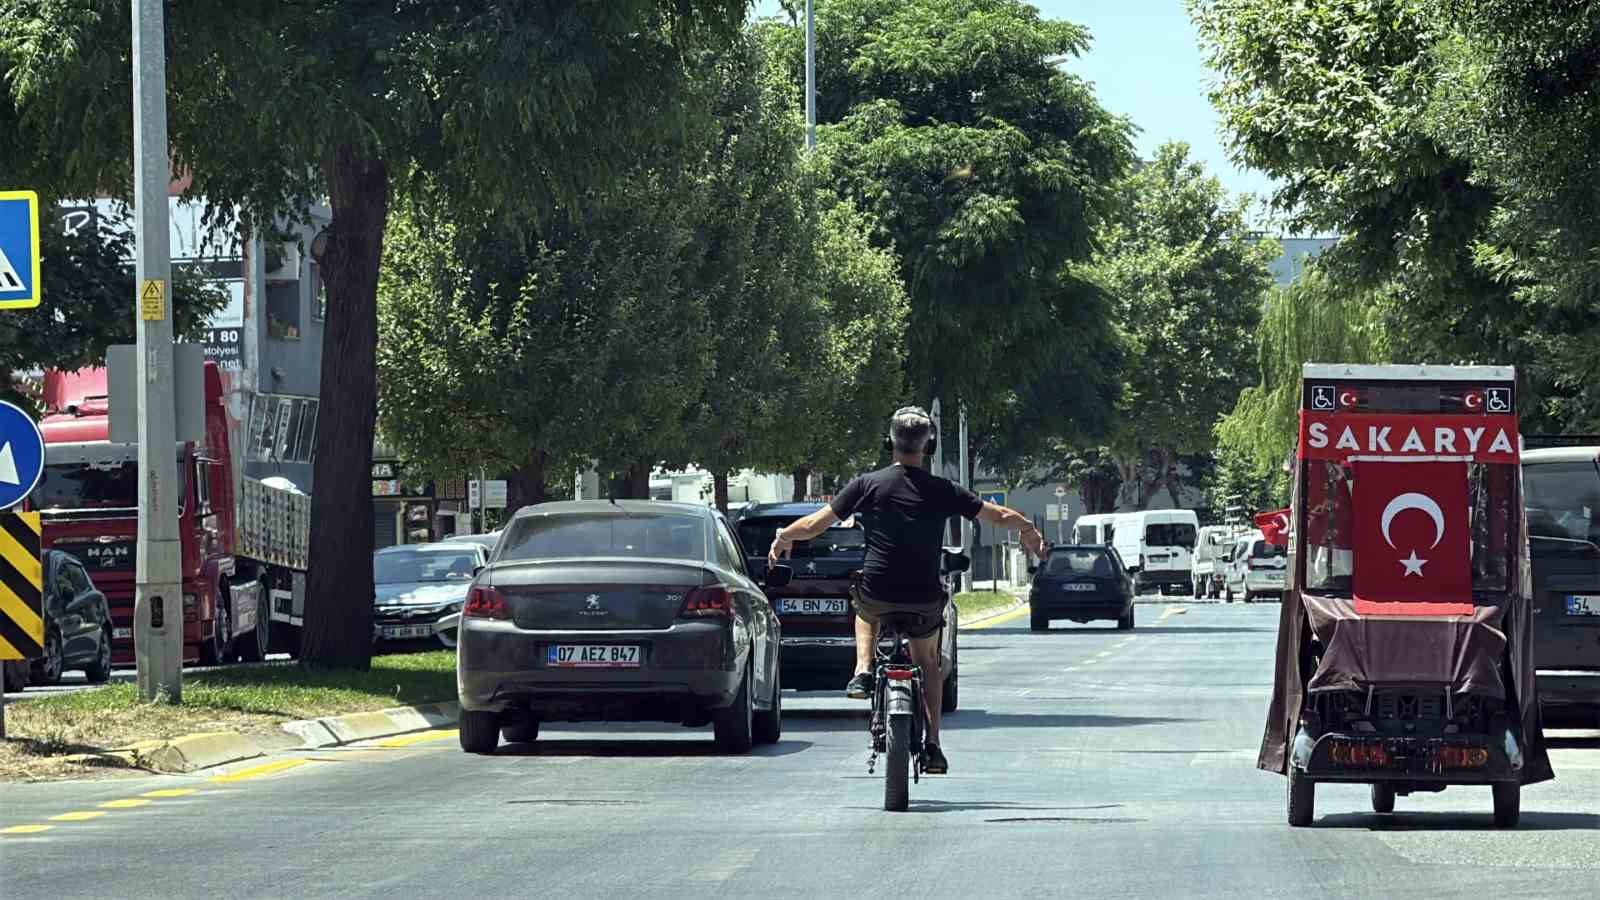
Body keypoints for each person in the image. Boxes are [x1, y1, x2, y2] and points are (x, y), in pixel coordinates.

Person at [767, 405, 1046, 774]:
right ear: (927, 447)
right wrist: (1028, 528)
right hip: (924, 596)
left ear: (890, 443)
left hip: (878, 591)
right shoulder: (944, 490)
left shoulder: (867, 484)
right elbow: (998, 515)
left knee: (863, 606)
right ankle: (933, 745)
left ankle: (863, 669)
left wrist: (784, 537)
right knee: (928, 663)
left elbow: (816, 524)